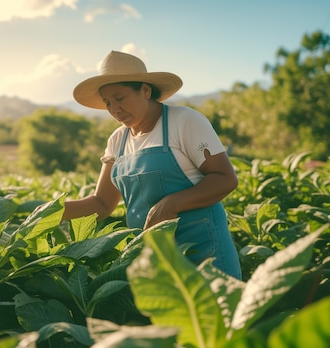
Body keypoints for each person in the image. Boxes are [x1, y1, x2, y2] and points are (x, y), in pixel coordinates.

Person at [63, 51, 242, 279]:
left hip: (204, 253)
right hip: (154, 259)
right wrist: (50, 211)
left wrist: (172, 203)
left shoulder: (184, 121)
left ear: (145, 90)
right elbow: (101, 204)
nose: (114, 109)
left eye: (120, 98)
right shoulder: (118, 140)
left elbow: (225, 178)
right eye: (108, 103)